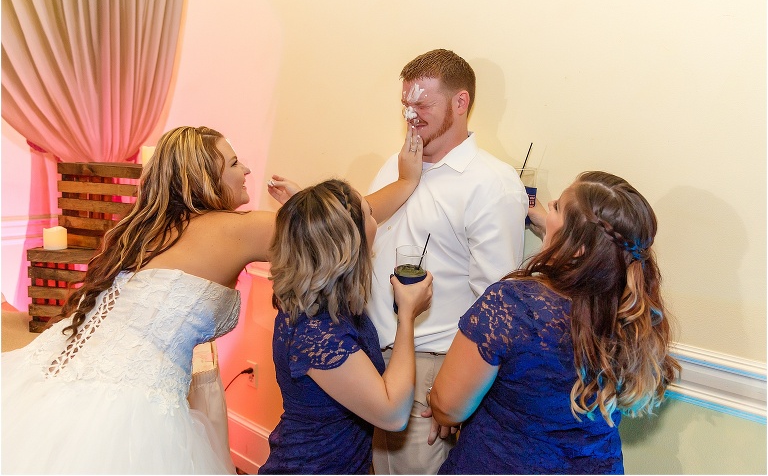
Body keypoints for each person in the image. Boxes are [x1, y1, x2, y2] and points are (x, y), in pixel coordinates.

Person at [1, 126, 285, 474]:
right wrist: (302, 201)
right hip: (132, 403)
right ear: (205, 178)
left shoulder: (142, 229)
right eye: (234, 163)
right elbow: (349, 228)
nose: (247, 171)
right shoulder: (241, 228)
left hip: (61, 371)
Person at [429, 171, 682, 474]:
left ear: (577, 246)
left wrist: (437, 403)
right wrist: (554, 234)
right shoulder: (633, 311)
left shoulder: (513, 305)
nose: (549, 204)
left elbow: (447, 405)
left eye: (559, 207)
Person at [367, 48, 529, 474]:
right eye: (406, 104)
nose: (410, 115)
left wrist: (458, 395)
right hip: (370, 363)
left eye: (422, 104)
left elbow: (496, 302)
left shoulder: (492, 184)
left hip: (430, 372)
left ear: (461, 103)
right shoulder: (395, 164)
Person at [259, 175, 433, 474]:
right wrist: (407, 316)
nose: (374, 218)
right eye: (368, 213)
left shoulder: (322, 298)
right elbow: (393, 414)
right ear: (348, 243)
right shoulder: (316, 333)